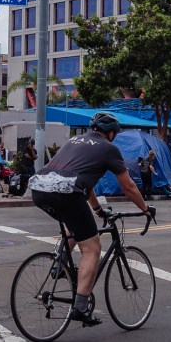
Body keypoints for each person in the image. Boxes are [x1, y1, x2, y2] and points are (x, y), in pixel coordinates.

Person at [29, 112, 153, 326]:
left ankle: (60, 265)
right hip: (66, 192)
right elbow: (128, 186)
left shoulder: (74, 140)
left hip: (39, 190)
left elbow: (86, 185)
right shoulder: (109, 148)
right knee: (92, 248)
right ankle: (80, 307)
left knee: (74, 227)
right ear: (111, 133)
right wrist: (146, 209)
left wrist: (97, 209)